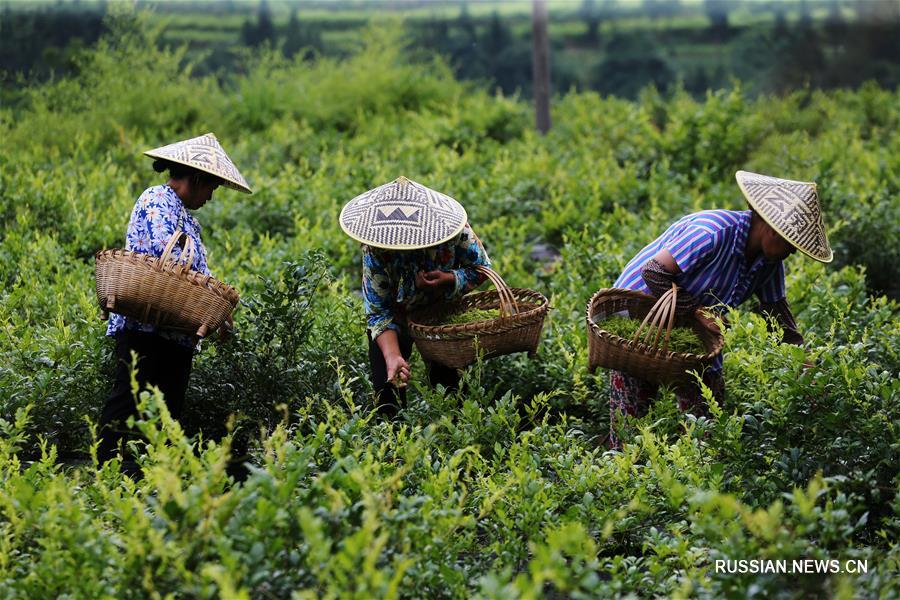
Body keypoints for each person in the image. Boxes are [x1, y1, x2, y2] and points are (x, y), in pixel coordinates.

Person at [608, 170, 832, 447]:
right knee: (633, 417)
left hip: (691, 328)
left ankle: (696, 474)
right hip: (638, 317)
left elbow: (778, 315)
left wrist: (807, 367)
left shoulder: (770, 263)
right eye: (791, 243)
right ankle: (623, 473)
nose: (793, 251)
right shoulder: (712, 231)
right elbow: (653, 272)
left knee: (707, 417)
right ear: (772, 228)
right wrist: (698, 312)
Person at [97, 133, 252, 467]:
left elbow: (201, 273)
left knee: (167, 413)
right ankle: (109, 474)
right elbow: (172, 263)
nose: (211, 196)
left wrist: (222, 313)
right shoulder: (157, 199)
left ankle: (152, 484)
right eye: (211, 187)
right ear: (196, 178)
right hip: (145, 324)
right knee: (128, 402)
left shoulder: (189, 220)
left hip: (176, 328)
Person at [339, 176, 491, 418]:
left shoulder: (455, 231)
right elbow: (378, 310)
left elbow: (482, 268)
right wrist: (393, 356)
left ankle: (450, 444)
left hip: (440, 314)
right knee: (387, 393)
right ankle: (393, 447)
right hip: (395, 316)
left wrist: (447, 279)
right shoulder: (375, 248)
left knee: (450, 391)